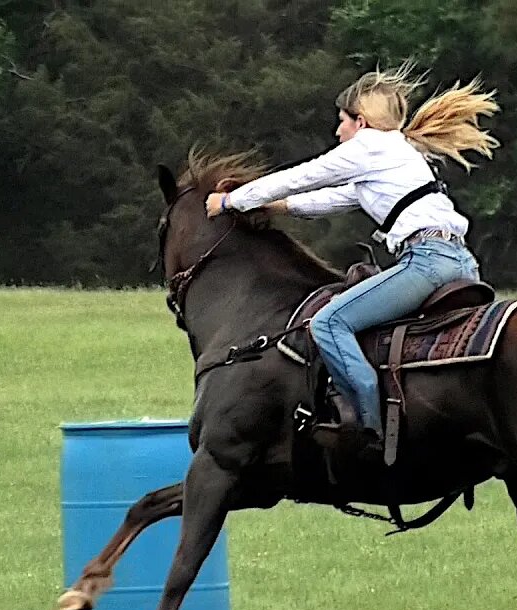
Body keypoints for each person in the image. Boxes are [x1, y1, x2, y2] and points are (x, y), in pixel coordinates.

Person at [206, 63, 499, 457]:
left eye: (340, 122)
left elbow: (303, 176)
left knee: (328, 322)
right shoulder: (396, 154)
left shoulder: (367, 147)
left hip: (428, 262)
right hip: (461, 263)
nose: (337, 131)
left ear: (360, 122)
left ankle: (370, 428)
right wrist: (269, 207)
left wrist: (230, 201)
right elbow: (322, 200)